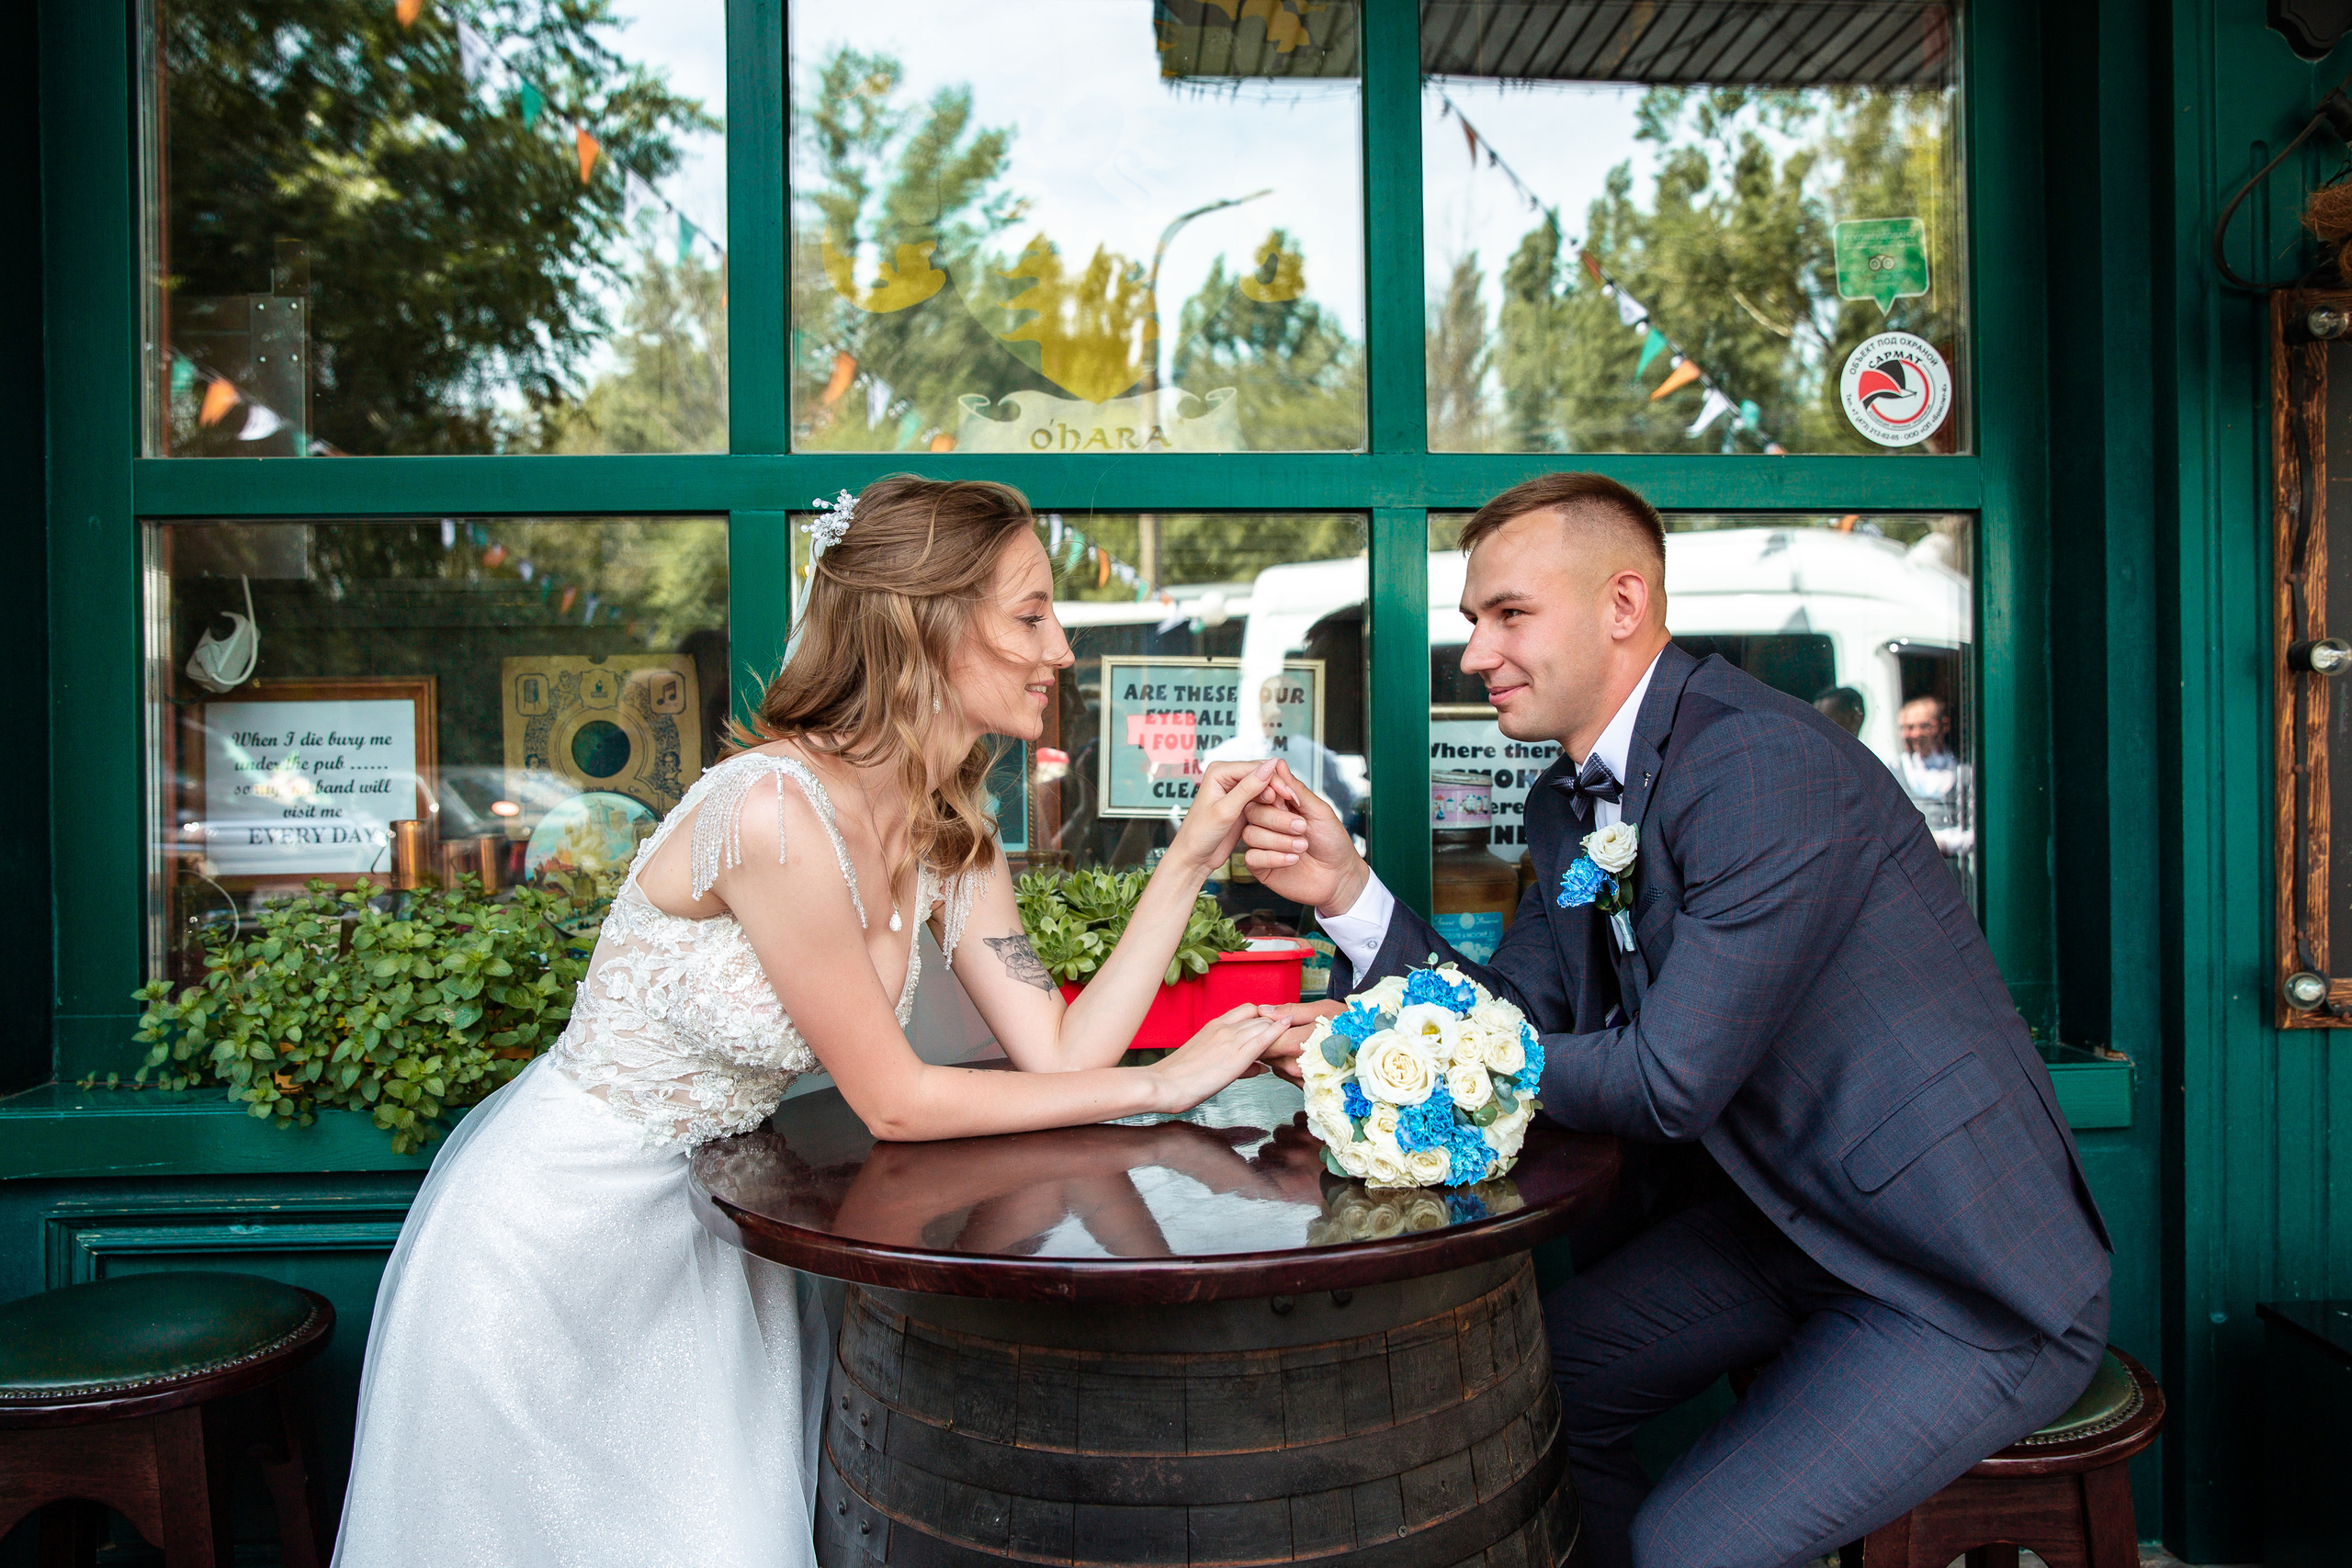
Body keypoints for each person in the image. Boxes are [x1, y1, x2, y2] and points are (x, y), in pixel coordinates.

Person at [334, 476, 1306, 1568]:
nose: (1062, 653)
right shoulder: (773, 813)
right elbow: (893, 1102)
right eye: (1031, 615)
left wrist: (1186, 860)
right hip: (554, 1247)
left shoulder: (954, 834)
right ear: (925, 624)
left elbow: (1062, 1050)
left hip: (717, 1234)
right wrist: (1166, 1083)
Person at [1224, 472, 2111, 1568]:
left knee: (1691, 1545)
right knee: (1521, 1393)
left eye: (1508, 615)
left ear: (1622, 605)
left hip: (1949, 1275)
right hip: (1781, 1228)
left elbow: (1666, 1081)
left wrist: (1412, 1051)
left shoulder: (1756, 762)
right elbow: (1516, 1015)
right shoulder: (1569, 798)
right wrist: (1349, 893)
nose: (1472, 654)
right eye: (1473, 621)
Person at [1897, 692, 1976, 864]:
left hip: (1952, 872)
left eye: (1924, 726)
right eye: (1909, 727)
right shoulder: (1894, 772)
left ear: (1943, 726)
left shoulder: (1962, 772)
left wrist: (1944, 843)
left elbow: (1977, 832)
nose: (1916, 734)